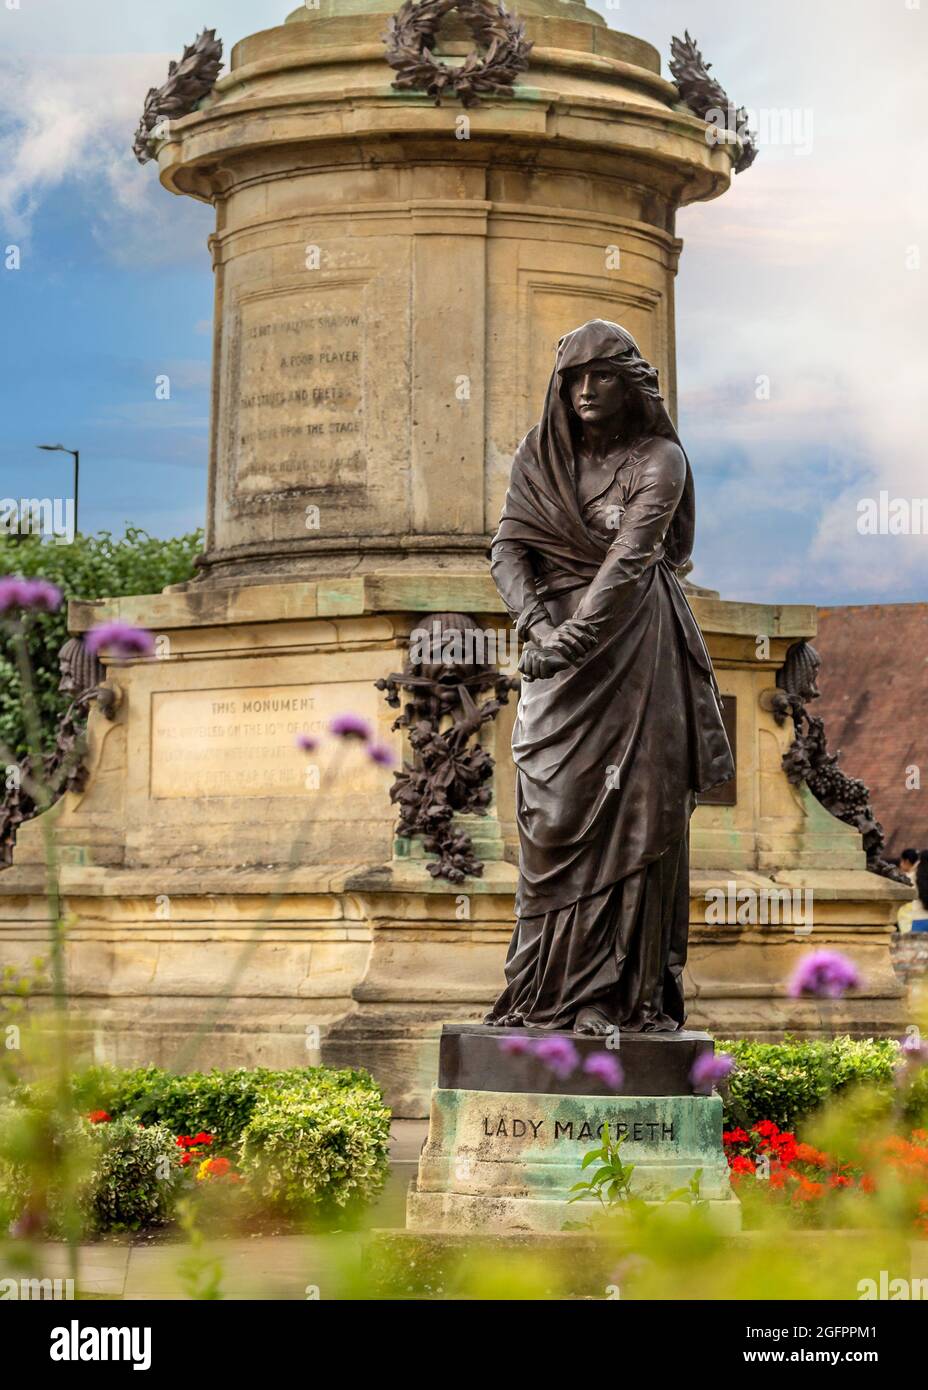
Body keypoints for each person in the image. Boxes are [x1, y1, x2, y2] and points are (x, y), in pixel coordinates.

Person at [484, 320, 734, 1035]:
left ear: (633, 384)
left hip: (637, 654)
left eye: (603, 375)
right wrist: (538, 629)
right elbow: (507, 546)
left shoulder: (660, 460)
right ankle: (542, 994)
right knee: (554, 820)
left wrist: (570, 643)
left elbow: (631, 561)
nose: (587, 389)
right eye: (574, 377)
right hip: (558, 656)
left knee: (635, 816)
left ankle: (616, 996)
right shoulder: (542, 454)